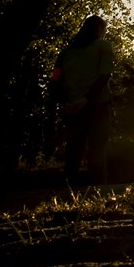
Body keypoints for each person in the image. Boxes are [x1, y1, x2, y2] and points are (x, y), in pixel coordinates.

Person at [52, 15, 115, 178]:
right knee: (98, 149)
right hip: (98, 104)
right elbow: (105, 75)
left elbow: (55, 77)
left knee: (73, 150)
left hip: (72, 106)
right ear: (100, 29)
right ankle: (99, 191)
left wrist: (64, 101)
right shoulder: (104, 46)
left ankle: (68, 191)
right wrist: (87, 99)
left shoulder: (66, 52)